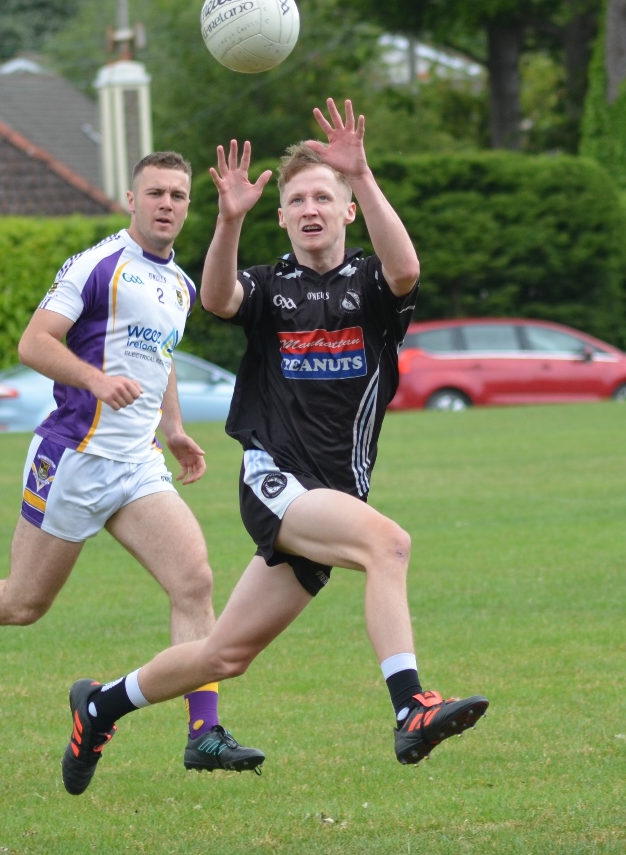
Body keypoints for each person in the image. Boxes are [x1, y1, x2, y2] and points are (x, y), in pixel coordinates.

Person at [60, 100, 488, 796]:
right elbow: (220, 298)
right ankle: (411, 704)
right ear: (282, 217)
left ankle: (101, 705)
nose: (310, 207)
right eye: (296, 200)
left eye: (324, 196)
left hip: (335, 494)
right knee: (390, 546)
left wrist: (364, 173)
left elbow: (406, 267)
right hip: (275, 479)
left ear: (348, 211)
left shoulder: (372, 288)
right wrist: (228, 218)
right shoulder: (268, 285)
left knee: (225, 654)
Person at [0, 151, 264, 779]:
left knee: (195, 583)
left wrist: (175, 428)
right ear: (130, 199)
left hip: (137, 465)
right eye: (155, 192)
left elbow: (160, 359)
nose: (166, 204)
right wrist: (94, 381)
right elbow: (34, 342)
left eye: (178, 196)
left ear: (190, 206)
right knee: (22, 603)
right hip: (73, 459)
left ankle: (204, 732)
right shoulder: (97, 266)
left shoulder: (180, 284)